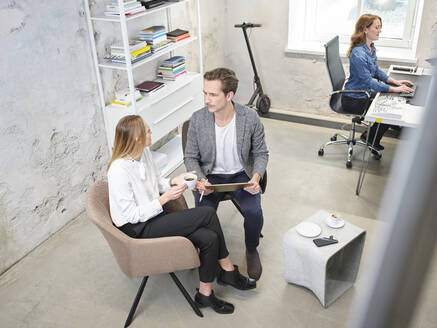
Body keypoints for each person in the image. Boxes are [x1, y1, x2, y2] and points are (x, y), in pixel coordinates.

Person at [107, 115, 256, 315]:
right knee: (207, 214)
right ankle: (228, 270)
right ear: (137, 139)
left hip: (154, 216)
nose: (151, 133)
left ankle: (204, 294)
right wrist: (164, 199)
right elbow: (132, 216)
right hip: (138, 229)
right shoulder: (118, 171)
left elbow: (156, 181)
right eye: (148, 131)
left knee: (209, 237)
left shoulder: (144, 152)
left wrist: (172, 182)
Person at [184, 67, 269, 281]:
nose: (206, 100)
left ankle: (251, 249)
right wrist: (201, 180)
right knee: (203, 217)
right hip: (209, 177)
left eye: (213, 95)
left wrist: (255, 177)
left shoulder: (249, 118)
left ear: (229, 95)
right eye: (205, 93)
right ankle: (211, 254)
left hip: (241, 176)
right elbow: (190, 157)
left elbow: (261, 153)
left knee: (254, 213)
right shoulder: (198, 119)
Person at [342, 14, 414, 150]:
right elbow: (369, 82)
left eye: (380, 27)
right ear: (365, 29)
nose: (380, 30)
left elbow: (376, 72)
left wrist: (396, 82)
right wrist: (393, 89)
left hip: (364, 93)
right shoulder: (358, 54)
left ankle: (370, 137)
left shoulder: (370, 48)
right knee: (388, 110)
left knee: (391, 104)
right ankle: (370, 138)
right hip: (354, 99)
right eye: (377, 27)